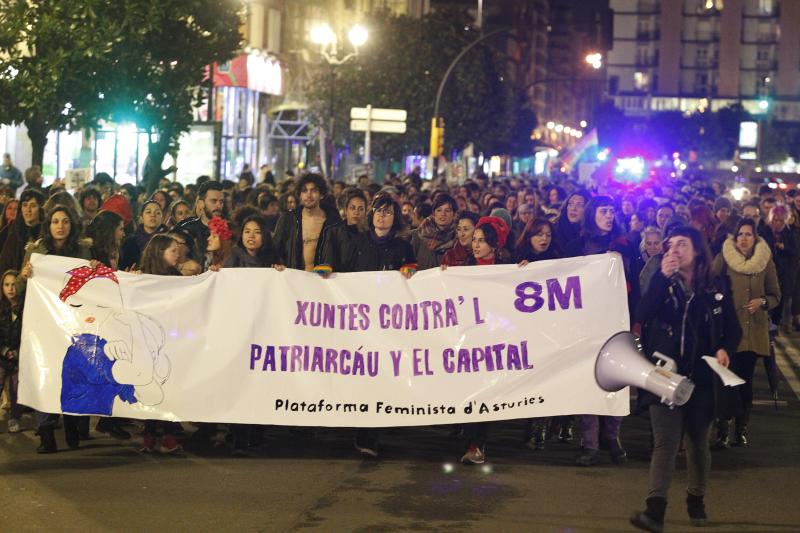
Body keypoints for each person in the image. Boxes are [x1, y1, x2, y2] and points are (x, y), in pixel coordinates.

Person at [631, 225, 741, 533]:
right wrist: (661, 280)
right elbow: (642, 312)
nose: (675, 250)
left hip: (702, 379)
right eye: (671, 245)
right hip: (665, 374)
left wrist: (724, 348)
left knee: (696, 443)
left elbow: (732, 329)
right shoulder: (661, 280)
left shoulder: (716, 285)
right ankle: (655, 511)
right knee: (665, 442)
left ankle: (696, 498)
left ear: (696, 250)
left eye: (682, 244)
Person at [566, 195, 637, 466]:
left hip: (617, 323)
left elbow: (635, 284)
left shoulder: (625, 245)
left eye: (612, 211)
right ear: (592, 213)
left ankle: (613, 437)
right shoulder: (577, 246)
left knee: (617, 382)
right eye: (604, 211)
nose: (609, 215)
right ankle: (590, 442)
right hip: (586, 325)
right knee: (589, 382)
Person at [18, 205, 93, 453]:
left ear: (71, 225)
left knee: (73, 373)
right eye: (55, 221)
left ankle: (72, 422)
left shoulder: (83, 251)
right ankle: (47, 431)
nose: (60, 226)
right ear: (48, 225)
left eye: (65, 221)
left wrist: (95, 268)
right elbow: (19, 290)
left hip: (73, 323)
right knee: (46, 373)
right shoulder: (36, 252)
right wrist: (24, 275)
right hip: (44, 323)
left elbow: (94, 288)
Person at [711, 218, 780, 448]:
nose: (743, 238)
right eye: (740, 233)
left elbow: (775, 295)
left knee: (744, 382)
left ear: (755, 237)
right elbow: (709, 281)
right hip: (728, 331)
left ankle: (740, 428)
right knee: (725, 381)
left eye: (748, 234)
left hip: (753, 330)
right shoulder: (725, 257)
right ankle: (721, 427)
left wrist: (762, 301)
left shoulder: (765, 260)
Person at [137, 234, 183, 453]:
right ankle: (149, 434)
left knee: (169, 388)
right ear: (159, 252)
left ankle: (167, 434)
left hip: (170, 340)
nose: (178, 254)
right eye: (173, 250)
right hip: (147, 341)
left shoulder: (176, 275)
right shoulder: (141, 276)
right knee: (150, 388)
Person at [273, 174, 342, 272]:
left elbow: (341, 254)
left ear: (321, 194)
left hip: (323, 282)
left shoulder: (333, 222)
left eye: (314, 191)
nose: (309, 195)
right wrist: (278, 264)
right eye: (304, 191)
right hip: (293, 280)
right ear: (300, 195)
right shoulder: (288, 220)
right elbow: (275, 250)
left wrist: (331, 267)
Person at [319, 188, 367, 272]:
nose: (356, 212)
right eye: (352, 208)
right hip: (339, 282)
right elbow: (327, 261)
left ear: (365, 212)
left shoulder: (369, 235)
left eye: (360, 209)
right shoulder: (333, 233)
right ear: (346, 210)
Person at [175, 180, 225, 259]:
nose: (218, 205)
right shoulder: (186, 230)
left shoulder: (229, 230)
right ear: (200, 203)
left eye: (221, 202)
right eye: (213, 201)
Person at [0, 189, 44, 274]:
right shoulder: (14, 231)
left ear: (40, 208)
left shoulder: (45, 232)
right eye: (25, 205)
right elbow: (5, 262)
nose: (28, 210)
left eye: (33, 205)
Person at [0, 270, 22, 433]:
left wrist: (18, 353)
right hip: (1, 357)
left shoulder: (26, 308)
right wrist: (5, 350)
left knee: (16, 390)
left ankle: (14, 418)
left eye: (14, 284)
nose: (10, 288)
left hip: (19, 358)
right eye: (6, 284)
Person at [411, 194, 457, 270]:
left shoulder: (457, 237)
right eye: (439, 210)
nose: (443, 214)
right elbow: (410, 262)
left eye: (447, 211)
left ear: (454, 214)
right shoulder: (419, 234)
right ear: (433, 213)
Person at [119, 201, 167, 270]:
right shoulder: (130, 242)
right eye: (148, 212)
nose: (153, 215)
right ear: (141, 217)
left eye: (157, 213)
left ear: (162, 218)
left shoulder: (169, 241)